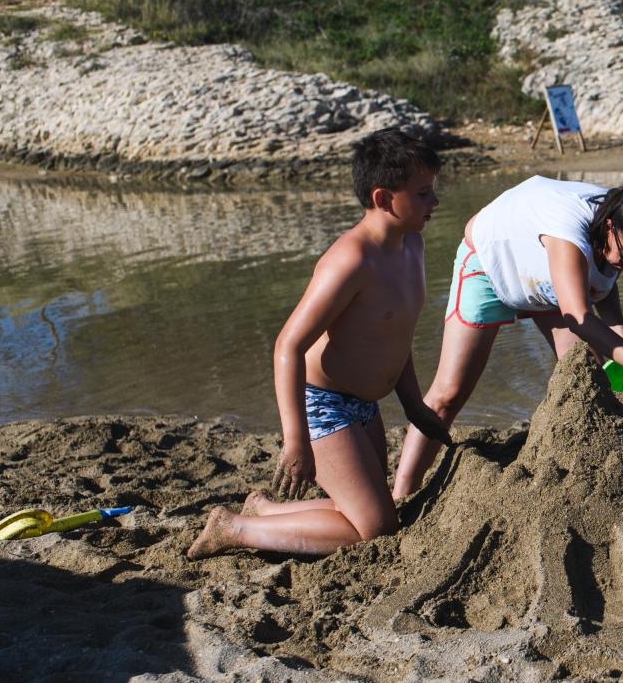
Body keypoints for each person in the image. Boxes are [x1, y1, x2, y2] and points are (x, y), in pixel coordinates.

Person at [188, 130, 451, 559]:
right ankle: (234, 528)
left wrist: (414, 406)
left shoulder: (412, 246)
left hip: (364, 406)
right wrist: (297, 441)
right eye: (423, 193)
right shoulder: (350, 261)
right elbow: (287, 346)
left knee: (370, 513)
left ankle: (264, 510)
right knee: (375, 529)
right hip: (322, 404)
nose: (434, 202)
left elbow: (395, 335)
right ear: (383, 199)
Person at [392, 176, 623, 497]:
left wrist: (620, 331)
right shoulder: (568, 228)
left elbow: (605, 276)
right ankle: (402, 493)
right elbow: (580, 317)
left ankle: (591, 466)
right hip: (491, 265)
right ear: (608, 227)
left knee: (586, 375)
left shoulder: (620, 218)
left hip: (544, 276)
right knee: (449, 394)